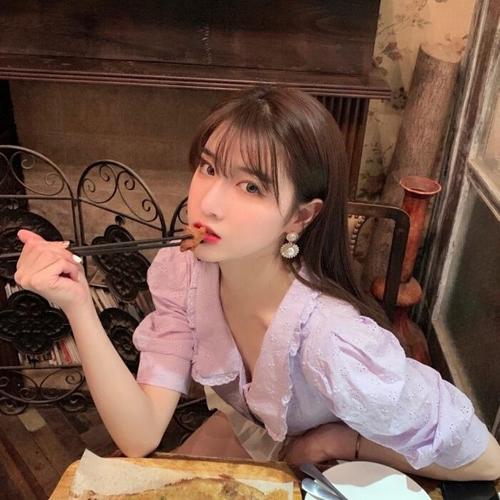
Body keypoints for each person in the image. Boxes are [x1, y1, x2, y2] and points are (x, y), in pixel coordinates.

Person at [14, 86, 500, 481]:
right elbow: (139, 435)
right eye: (208, 168)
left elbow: (487, 460)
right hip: (262, 444)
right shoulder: (185, 273)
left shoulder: (332, 340)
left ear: (300, 217)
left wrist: (337, 440)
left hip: (351, 469)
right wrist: (77, 303)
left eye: (251, 187)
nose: (208, 204)